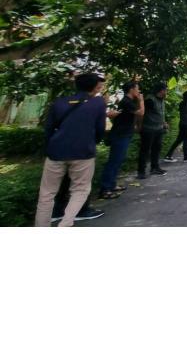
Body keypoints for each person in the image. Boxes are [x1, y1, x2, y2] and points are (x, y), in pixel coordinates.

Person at [34, 72, 108, 227]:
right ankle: (65, 224)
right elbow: (100, 129)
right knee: (80, 190)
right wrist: (91, 142)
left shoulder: (59, 102)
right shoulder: (98, 103)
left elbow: (48, 129)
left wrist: (50, 148)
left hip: (56, 152)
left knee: (47, 194)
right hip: (83, 152)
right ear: (95, 87)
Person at [98, 81, 145, 199]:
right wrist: (141, 100)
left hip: (124, 133)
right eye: (137, 88)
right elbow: (141, 112)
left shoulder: (128, 101)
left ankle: (111, 184)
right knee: (114, 161)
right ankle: (105, 189)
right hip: (120, 134)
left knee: (118, 160)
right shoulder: (126, 102)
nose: (138, 91)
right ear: (131, 89)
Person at [137, 83, 169, 178]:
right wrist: (139, 126)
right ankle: (141, 172)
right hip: (148, 129)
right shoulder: (150, 100)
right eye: (166, 90)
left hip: (159, 129)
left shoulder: (162, 100)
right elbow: (141, 113)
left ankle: (155, 168)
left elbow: (160, 113)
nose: (167, 92)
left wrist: (164, 123)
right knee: (145, 151)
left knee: (156, 149)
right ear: (161, 90)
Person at [164, 90, 187, 162]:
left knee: (178, 140)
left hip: (182, 124)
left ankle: (168, 155)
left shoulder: (182, 103)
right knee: (186, 141)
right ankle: (186, 157)